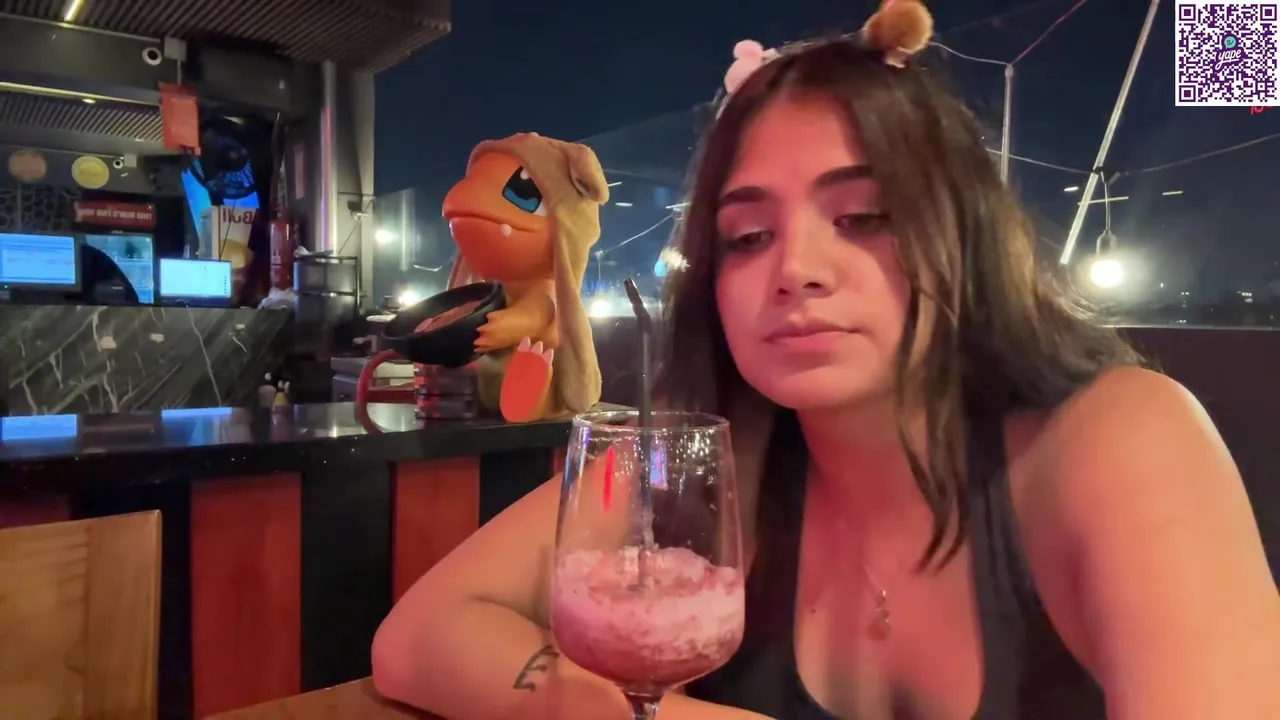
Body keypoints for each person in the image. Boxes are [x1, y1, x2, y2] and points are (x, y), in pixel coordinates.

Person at [370, 2, 1280, 718]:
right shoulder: (703, 462)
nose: (795, 269)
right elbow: (415, 638)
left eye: (864, 217)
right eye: (747, 236)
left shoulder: (1117, 439)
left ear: (963, 237)